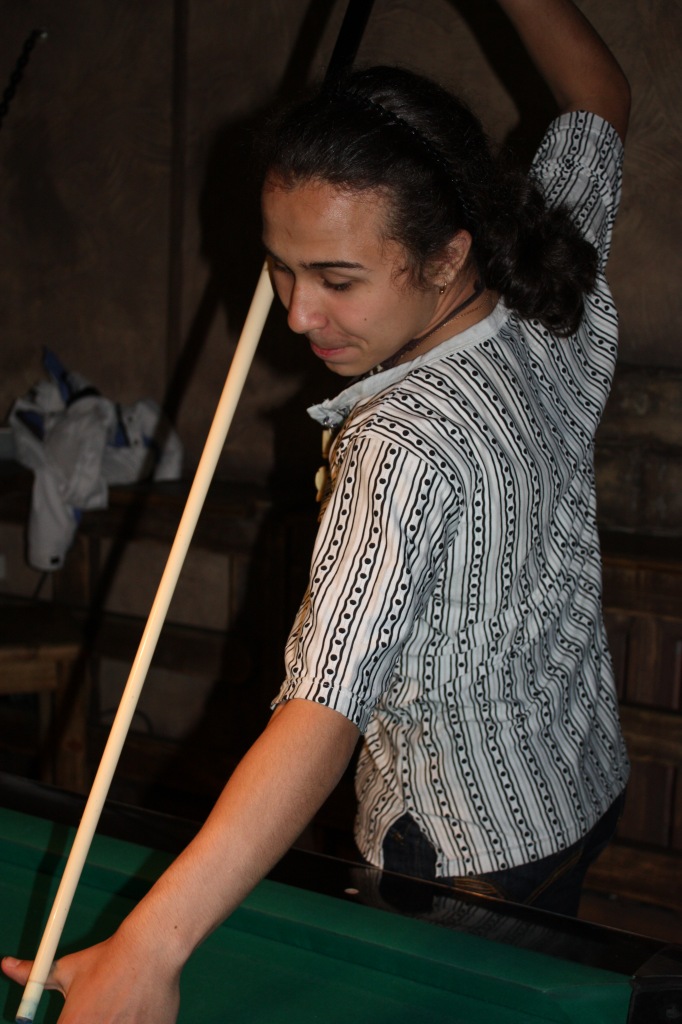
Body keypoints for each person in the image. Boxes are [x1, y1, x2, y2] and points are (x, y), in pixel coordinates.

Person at [2, 1, 631, 1020]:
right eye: (281, 266)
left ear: (447, 254)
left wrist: (153, 947)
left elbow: (321, 711)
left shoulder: (399, 442)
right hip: (576, 777)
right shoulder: (542, 283)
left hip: (461, 851)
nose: (297, 313)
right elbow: (598, 95)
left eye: (336, 278)